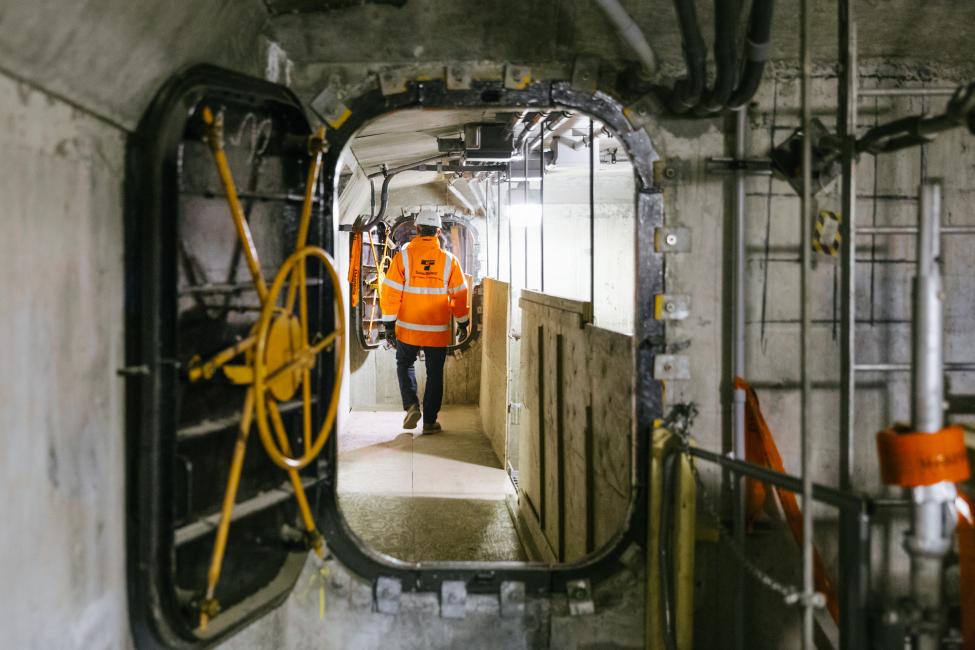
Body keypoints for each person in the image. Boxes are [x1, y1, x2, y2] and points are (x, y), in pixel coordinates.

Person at [379, 208, 470, 433]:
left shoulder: (403, 258)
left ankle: (411, 405)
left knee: (405, 363)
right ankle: (429, 422)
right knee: (435, 374)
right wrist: (463, 322)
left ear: (417, 230)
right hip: (436, 331)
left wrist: (389, 324)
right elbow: (459, 294)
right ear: (438, 231)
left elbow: (390, 293)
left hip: (408, 329)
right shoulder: (450, 261)